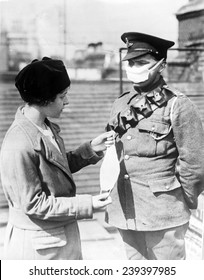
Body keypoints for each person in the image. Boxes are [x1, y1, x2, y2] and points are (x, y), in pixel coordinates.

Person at [0, 57, 114, 260]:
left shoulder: (44, 126)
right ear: (44, 99)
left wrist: (90, 150)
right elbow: (34, 204)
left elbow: (53, 171)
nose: (67, 101)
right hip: (39, 249)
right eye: (62, 96)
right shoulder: (18, 143)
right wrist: (89, 203)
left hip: (56, 240)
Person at [105, 32, 204, 260]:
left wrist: (180, 202)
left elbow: (195, 164)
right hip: (126, 212)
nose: (134, 67)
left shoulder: (178, 105)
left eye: (141, 62)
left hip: (163, 214)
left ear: (161, 65)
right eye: (130, 62)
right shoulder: (121, 104)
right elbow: (113, 151)